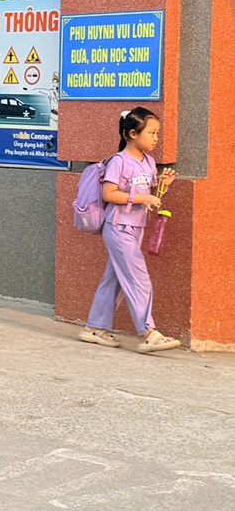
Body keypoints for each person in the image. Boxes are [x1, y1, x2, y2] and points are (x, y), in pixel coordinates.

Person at [79, 107, 180, 354]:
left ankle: (95, 328)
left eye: (158, 133)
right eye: (152, 133)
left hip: (137, 228)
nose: (156, 138)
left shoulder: (148, 162)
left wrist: (163, 186)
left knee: (114, 279)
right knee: (139, 279)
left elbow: (151, 195)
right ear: (132, 133)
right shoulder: (119, 161)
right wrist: (142, 199)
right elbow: (109, 194)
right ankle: (148, 333)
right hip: (118, 228)